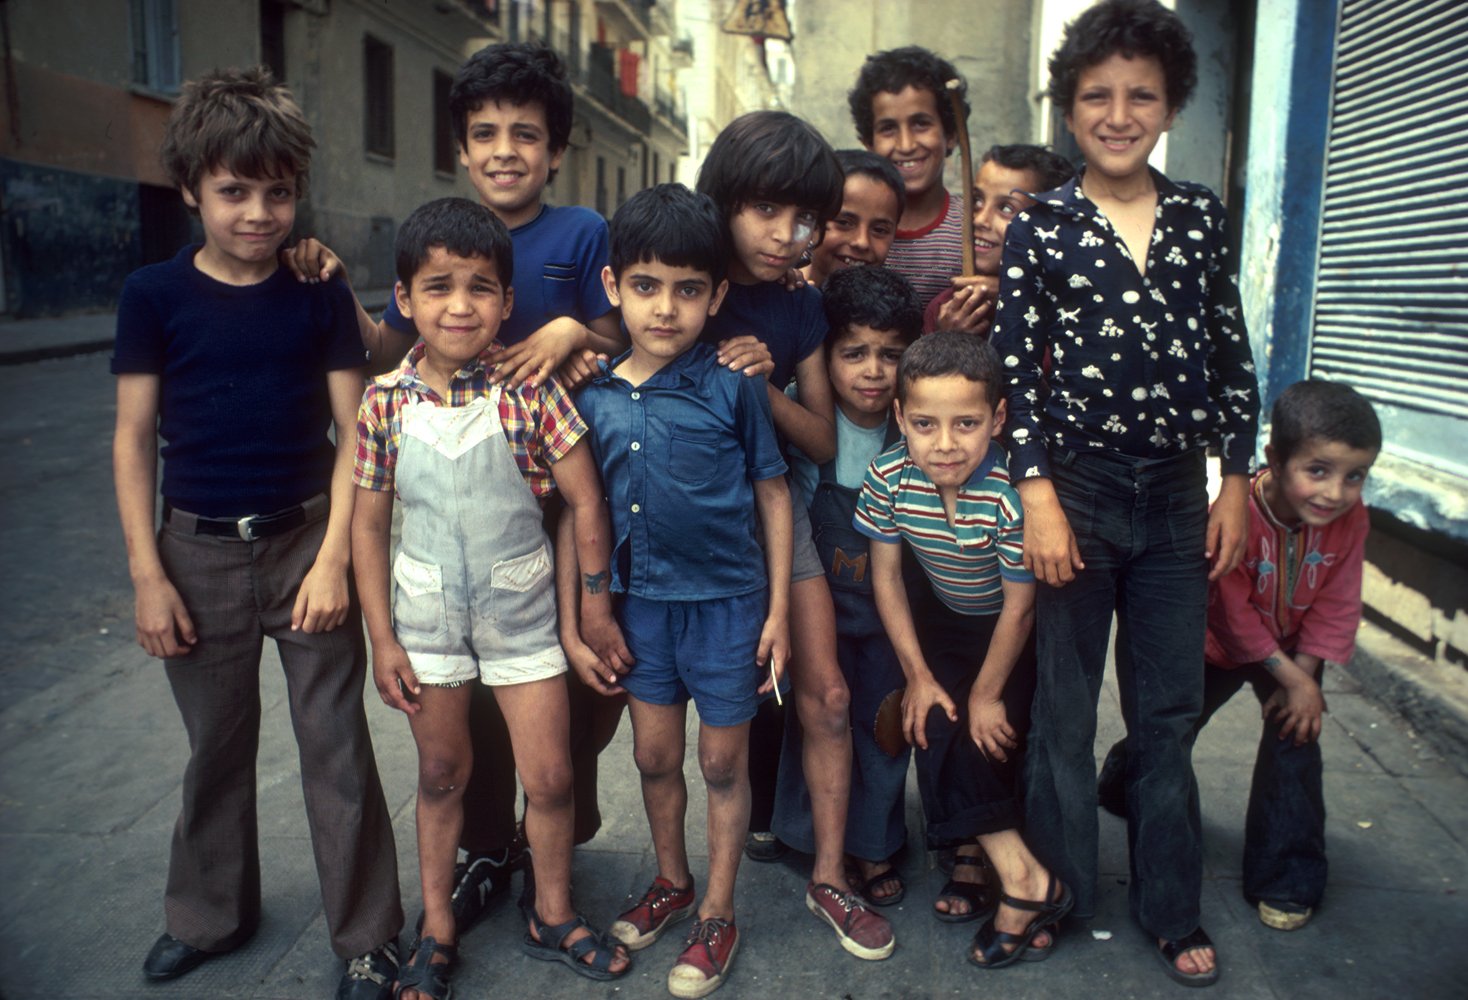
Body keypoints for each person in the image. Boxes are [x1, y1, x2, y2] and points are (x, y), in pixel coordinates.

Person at [289, 42, 645, 929]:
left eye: (525, 134)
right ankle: (491, 846)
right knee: (467, 711)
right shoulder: (438, 226)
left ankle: (550, 824)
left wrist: (570, 329)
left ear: (555, 150)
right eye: (484, 133)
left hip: (563, 485)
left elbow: (619, 330)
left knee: (573, 687)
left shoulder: (581, 235)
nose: (505, 150)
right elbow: (387, 352)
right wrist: (337, 290)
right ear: (462, 148)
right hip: (461, 497)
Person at [110, 68, 403, 999]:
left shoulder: (315, 291)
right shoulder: (153, 296)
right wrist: (149, 576)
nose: (258, 213)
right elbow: (132, 440)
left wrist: (331, 564)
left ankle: (366, 936)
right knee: (216, 748)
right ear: (191, 187)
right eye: (234, 191)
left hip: (305, 543)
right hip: (194, 552)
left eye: (278, 192)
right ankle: (207, 915)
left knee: (335, 745)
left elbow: (357, 432)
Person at [991, 0, 1261, 986]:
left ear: (1171, 104)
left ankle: (1170, 905)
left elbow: (1231, 359)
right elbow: (1013, 373)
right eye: (1096, 95)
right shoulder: (1043, 226)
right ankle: (1061, 890)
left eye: (1139, 94)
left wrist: (1233, 478)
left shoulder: (1196, 217)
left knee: (1166, 716)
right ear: (1068, 111)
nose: (1117, 112)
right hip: (1077, 490)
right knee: (1061, 714)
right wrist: (1038, 494)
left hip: (1175, 501)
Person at [352, 197, 631, 997]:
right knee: (442, 773)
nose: (460, 305)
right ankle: (436, 928)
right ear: (404, 299)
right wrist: (385, 639)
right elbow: (370, 529)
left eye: (481, 287)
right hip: (428, 624)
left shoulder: (530, 394)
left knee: (549, 778)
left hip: (524, 622)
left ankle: (551, 909)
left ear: (508, 303)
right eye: (437, 287)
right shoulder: (384, 403)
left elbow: (586, 500)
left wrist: (591, 606)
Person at [577, 184, 793, 998]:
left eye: (688, 290)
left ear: (716, 296)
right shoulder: (591, 392)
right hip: (640, 610)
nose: (665, 308)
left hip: (730, 606)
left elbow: (774, 492)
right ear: (613, 287)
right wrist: (589, 609)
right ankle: (671, 879)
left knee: (721, 761)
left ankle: (720, 910)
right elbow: (581, 510)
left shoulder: (734, 385)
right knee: (656, 755)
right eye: (646, 286)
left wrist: (777, 611)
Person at [695, 110, 896, 961]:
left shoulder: (799, 307)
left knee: (834, 699)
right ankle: (704, 894)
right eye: (768, 212)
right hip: (692, 535)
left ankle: (830, 877)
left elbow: (818, 436)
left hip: (787, 523)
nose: (790, 235)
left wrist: (762, 380)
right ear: (725, 203)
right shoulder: (684, 280)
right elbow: (610, 343)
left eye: (804, 219)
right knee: (705, 735)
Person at [1097, 380, 1379, 933]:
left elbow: (1339, 599)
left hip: (1293, 648)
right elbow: (1229, 608)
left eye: (1355, 476)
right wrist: (1289, 674)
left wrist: (1305, 680)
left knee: (1297, 731)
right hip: (1218, 643)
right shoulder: (1235, 513)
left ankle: (1287, 875)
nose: (1335, 492)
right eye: (1317, 470)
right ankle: (1120, 778)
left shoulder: (1352, 519)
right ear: (1274, 458)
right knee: (1172, 733)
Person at [855, 331, 1072, 968]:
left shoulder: (1009, 493)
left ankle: (1008, 873)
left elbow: (1020, 605)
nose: (944, 444)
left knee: (990, 729)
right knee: (936, 722)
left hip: (1012, 633)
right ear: (899, 418)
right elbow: (887, 578)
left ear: (998, 420)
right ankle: (1016, 872)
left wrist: (986, 691)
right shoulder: (890, 475)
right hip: (945, 624)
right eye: (924, 423)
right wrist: (918, 674)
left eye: (967, 424)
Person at [773, 265, 919, 908]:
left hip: (892, 611)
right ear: (824, 355)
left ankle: (875, 842)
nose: (873, 371)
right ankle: (804, 835)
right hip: (818, 603)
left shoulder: (917, 425)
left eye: (891, 356)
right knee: (815, 719)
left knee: (885, 727)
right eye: (854, 353)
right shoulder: (802, 415)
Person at [849, 47, 968, 308]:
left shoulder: (973, 231)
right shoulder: (850, 233)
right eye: (888, 128)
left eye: (921, 123)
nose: (905, 145)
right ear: (869, 142)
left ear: (950, 134)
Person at [922, 144, 1076, 336]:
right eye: (977, 201)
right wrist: (947, 337)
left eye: (1005, 208)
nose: (979, 220)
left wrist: (1015, 294)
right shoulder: (946, 310)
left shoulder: (1069, 312)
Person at [800, 149, 905, 289]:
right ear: (812, 221)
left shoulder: (890, 308)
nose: (862, 242)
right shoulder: (778, 298)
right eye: (844, 222)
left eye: (879, 230)